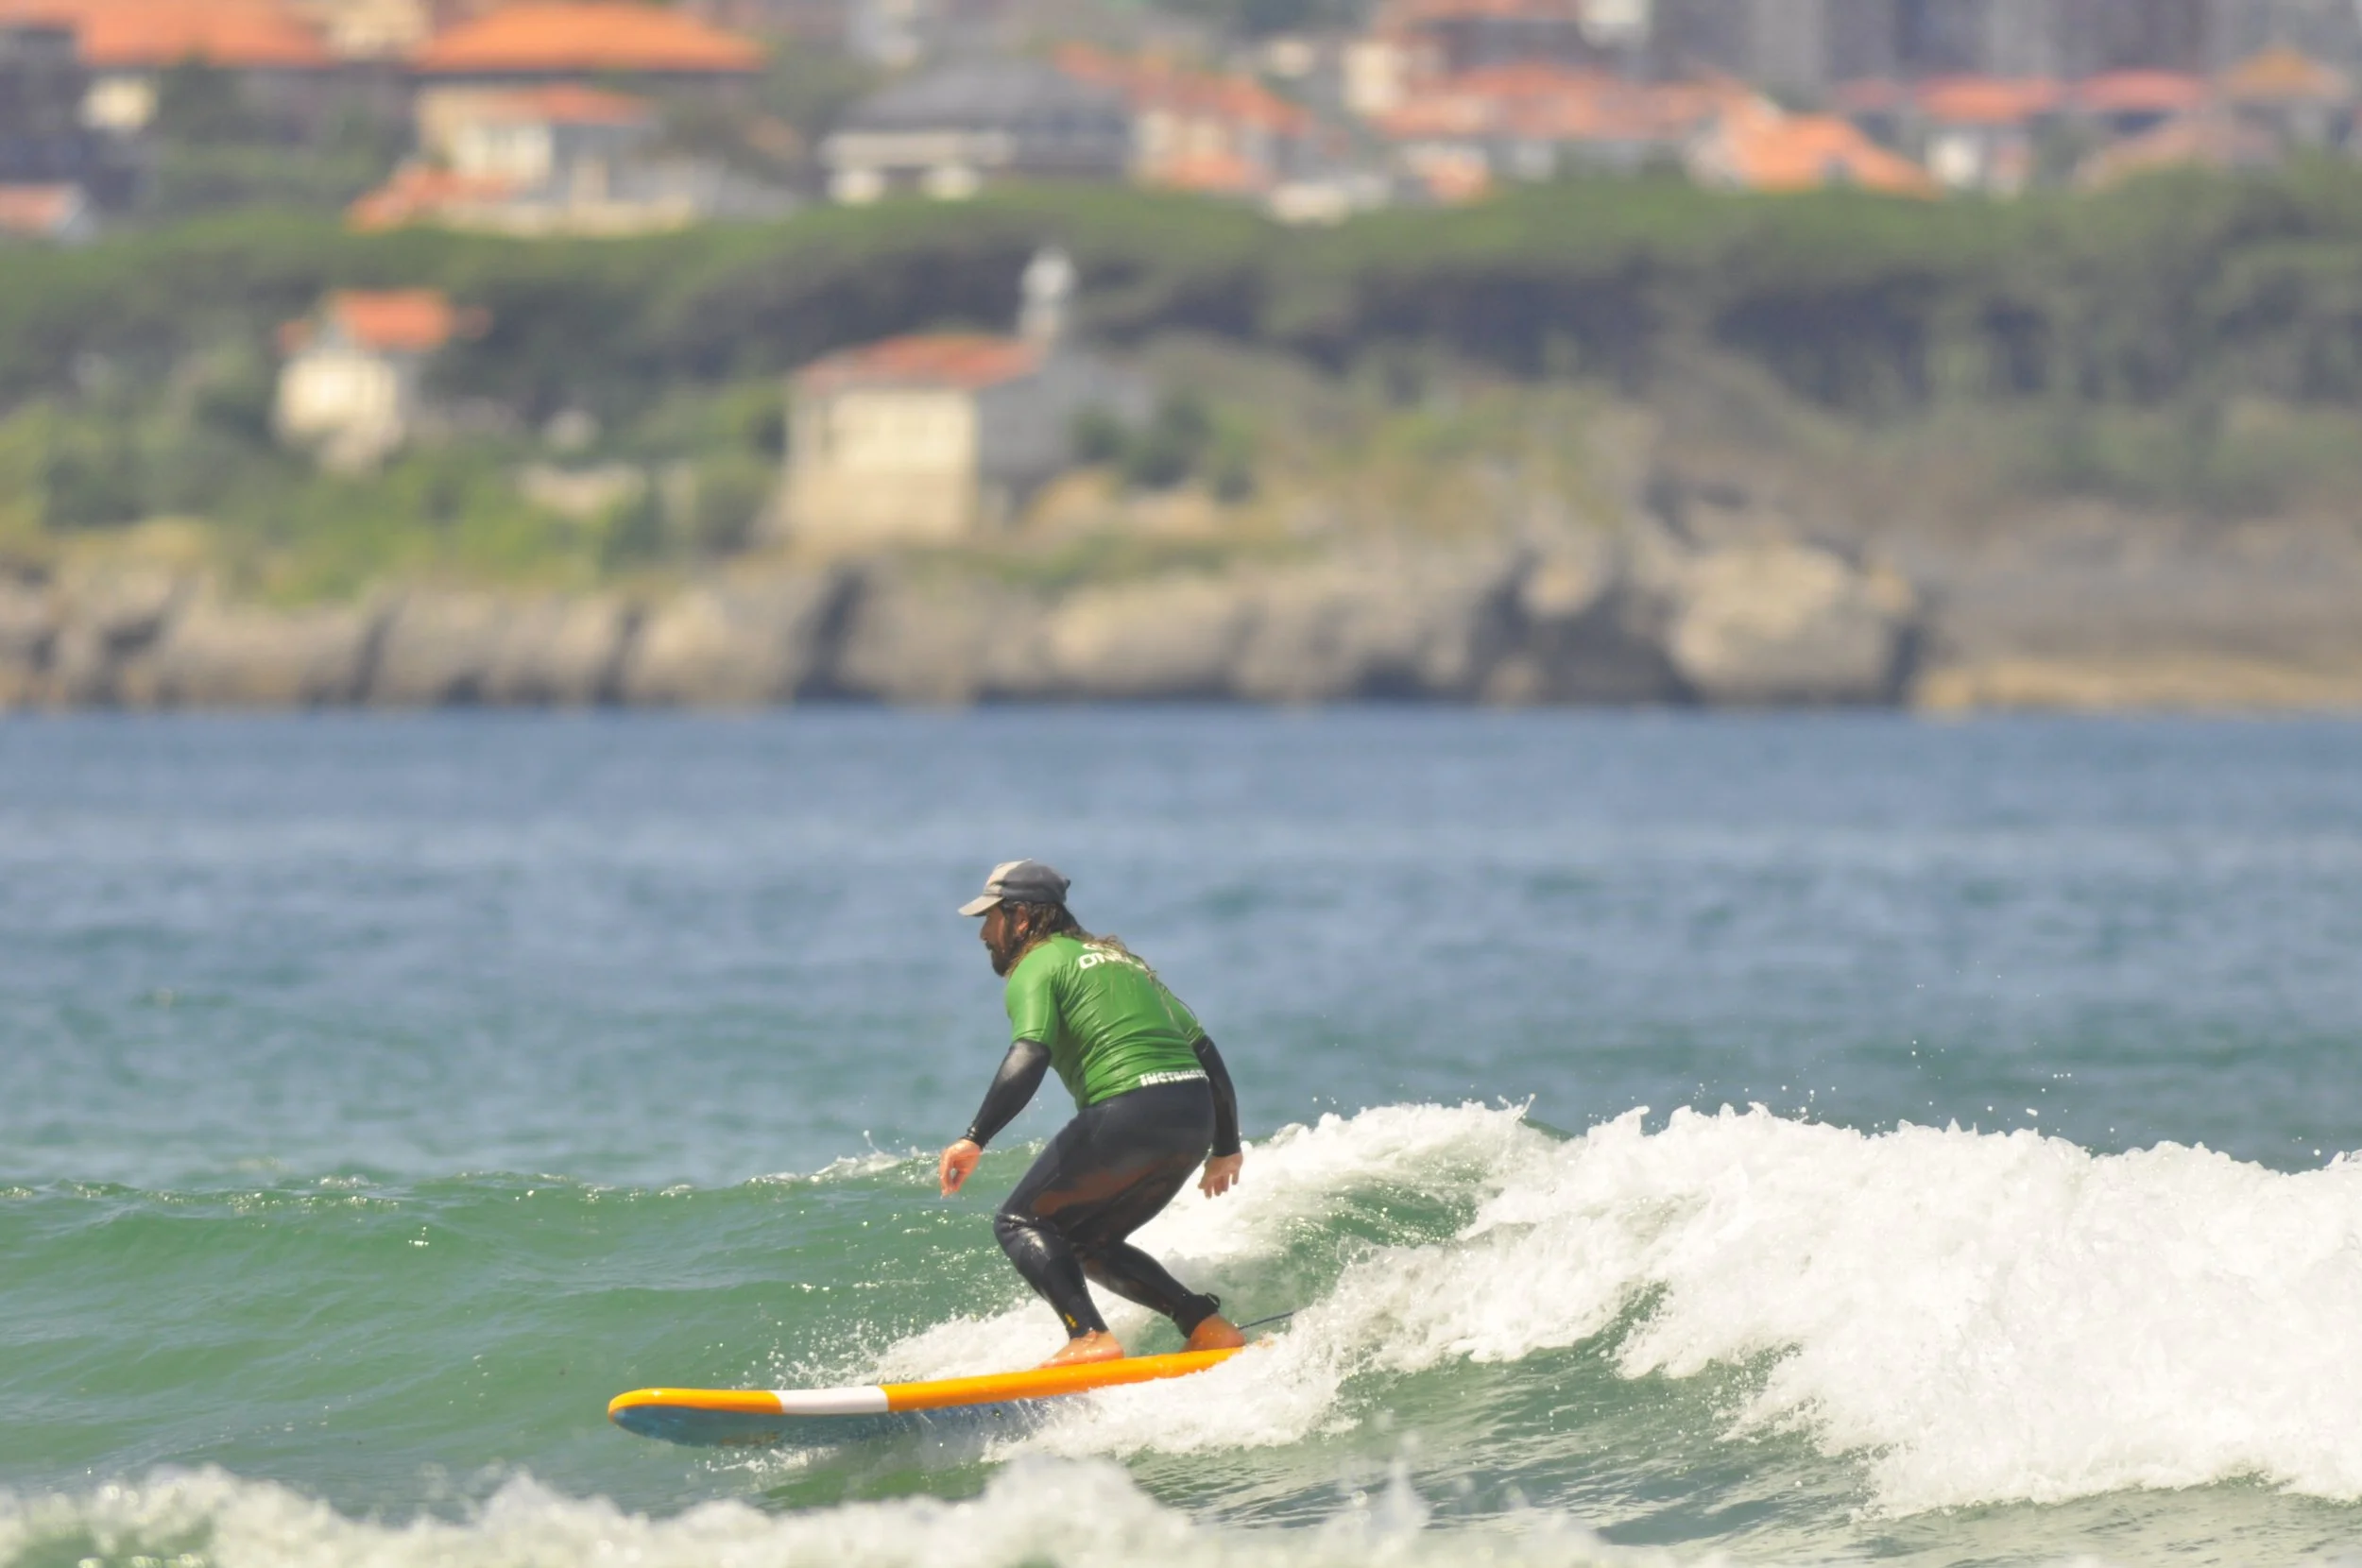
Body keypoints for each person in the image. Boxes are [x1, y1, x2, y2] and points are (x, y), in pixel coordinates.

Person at [937, 860, 1247, 1368]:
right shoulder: (1124, 962)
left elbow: (1030, 1051)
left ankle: (1089, 1337)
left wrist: (976, 1137)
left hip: (1131, 1108)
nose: (983, 935)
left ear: (1020, 918)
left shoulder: (1036, 964)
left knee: (1019, 1221)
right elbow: (1205, 1051)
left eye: (989, 919)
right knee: (1086, 1239)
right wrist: (1226, 1146)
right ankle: (1206, 1326)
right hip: (1191, 1117)